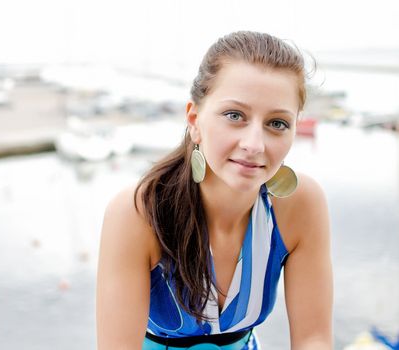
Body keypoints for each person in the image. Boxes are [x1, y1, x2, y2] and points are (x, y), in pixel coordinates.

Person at [96, 31, 333, 349]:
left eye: (277, 123)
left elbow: (313, 338)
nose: (254, 145)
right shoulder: (139, 212)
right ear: (194, 119)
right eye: (234, 116)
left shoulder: (300, 204)